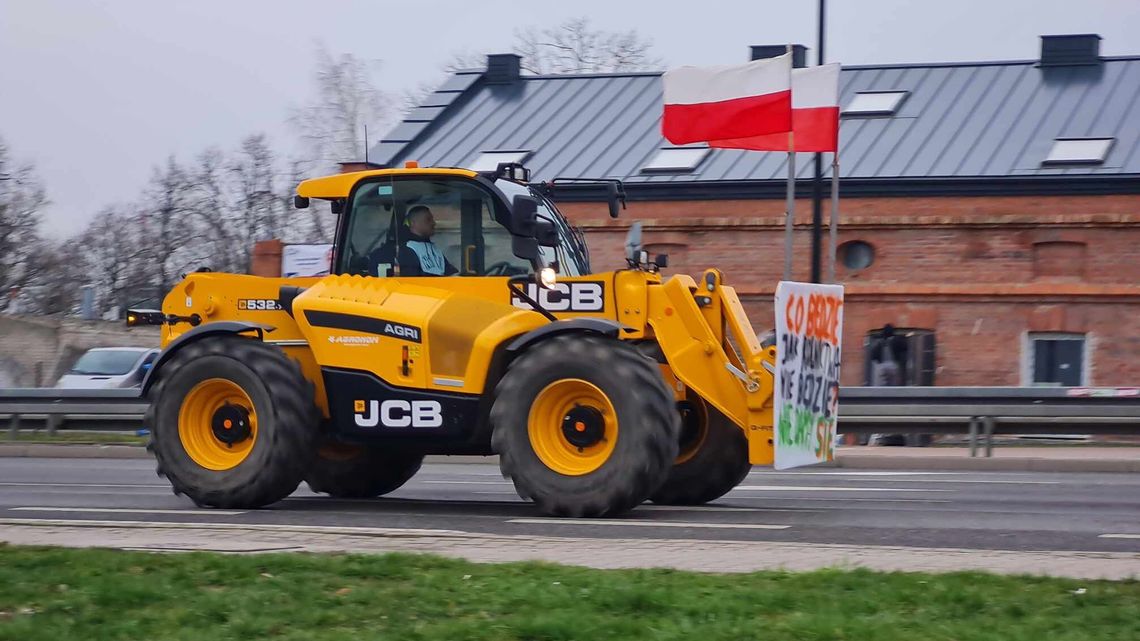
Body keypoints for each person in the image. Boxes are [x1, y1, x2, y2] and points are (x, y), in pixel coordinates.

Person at [397, 205, 458, 276]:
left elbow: (450, 272)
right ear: (413, 223)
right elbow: (412, 278)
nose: (433, 223)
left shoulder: (434, 248)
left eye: (432, 219)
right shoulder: (407, 249)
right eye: (428, 220)